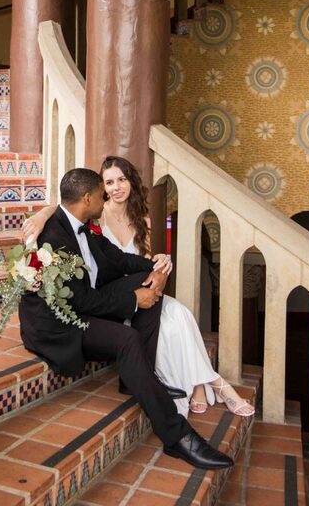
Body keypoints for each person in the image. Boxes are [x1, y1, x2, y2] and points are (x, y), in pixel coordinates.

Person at [19, 167, 234, 471]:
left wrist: (153, 268)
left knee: (145, 282)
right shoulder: (51, 238)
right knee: (128, 337)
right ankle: (177, 437)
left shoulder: (84, 223)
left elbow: (118, 259)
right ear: (87, 197)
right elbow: (80, 301)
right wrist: (134, 299)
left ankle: (134, 378)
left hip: (84, 302)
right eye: (101, 194)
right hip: (59, 323)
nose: (106, 198)